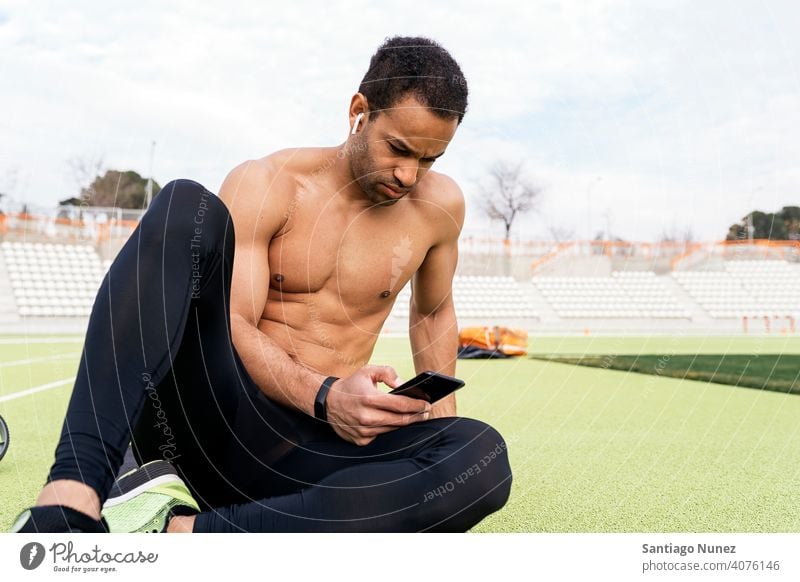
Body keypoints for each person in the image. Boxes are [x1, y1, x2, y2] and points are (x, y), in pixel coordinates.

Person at [11, 35, 512, 533]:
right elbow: (233, 323)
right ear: (360, 111)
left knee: (479, 457)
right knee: (186, 204)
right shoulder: (269, 183)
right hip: (222, 427)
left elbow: (433, 312)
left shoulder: (439, 208)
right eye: (398, 149)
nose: (408, 174)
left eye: (428, 160)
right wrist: (325, 394)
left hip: (317, 454)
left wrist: (436, 420)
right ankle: (73, 497)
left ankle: (187, 534)